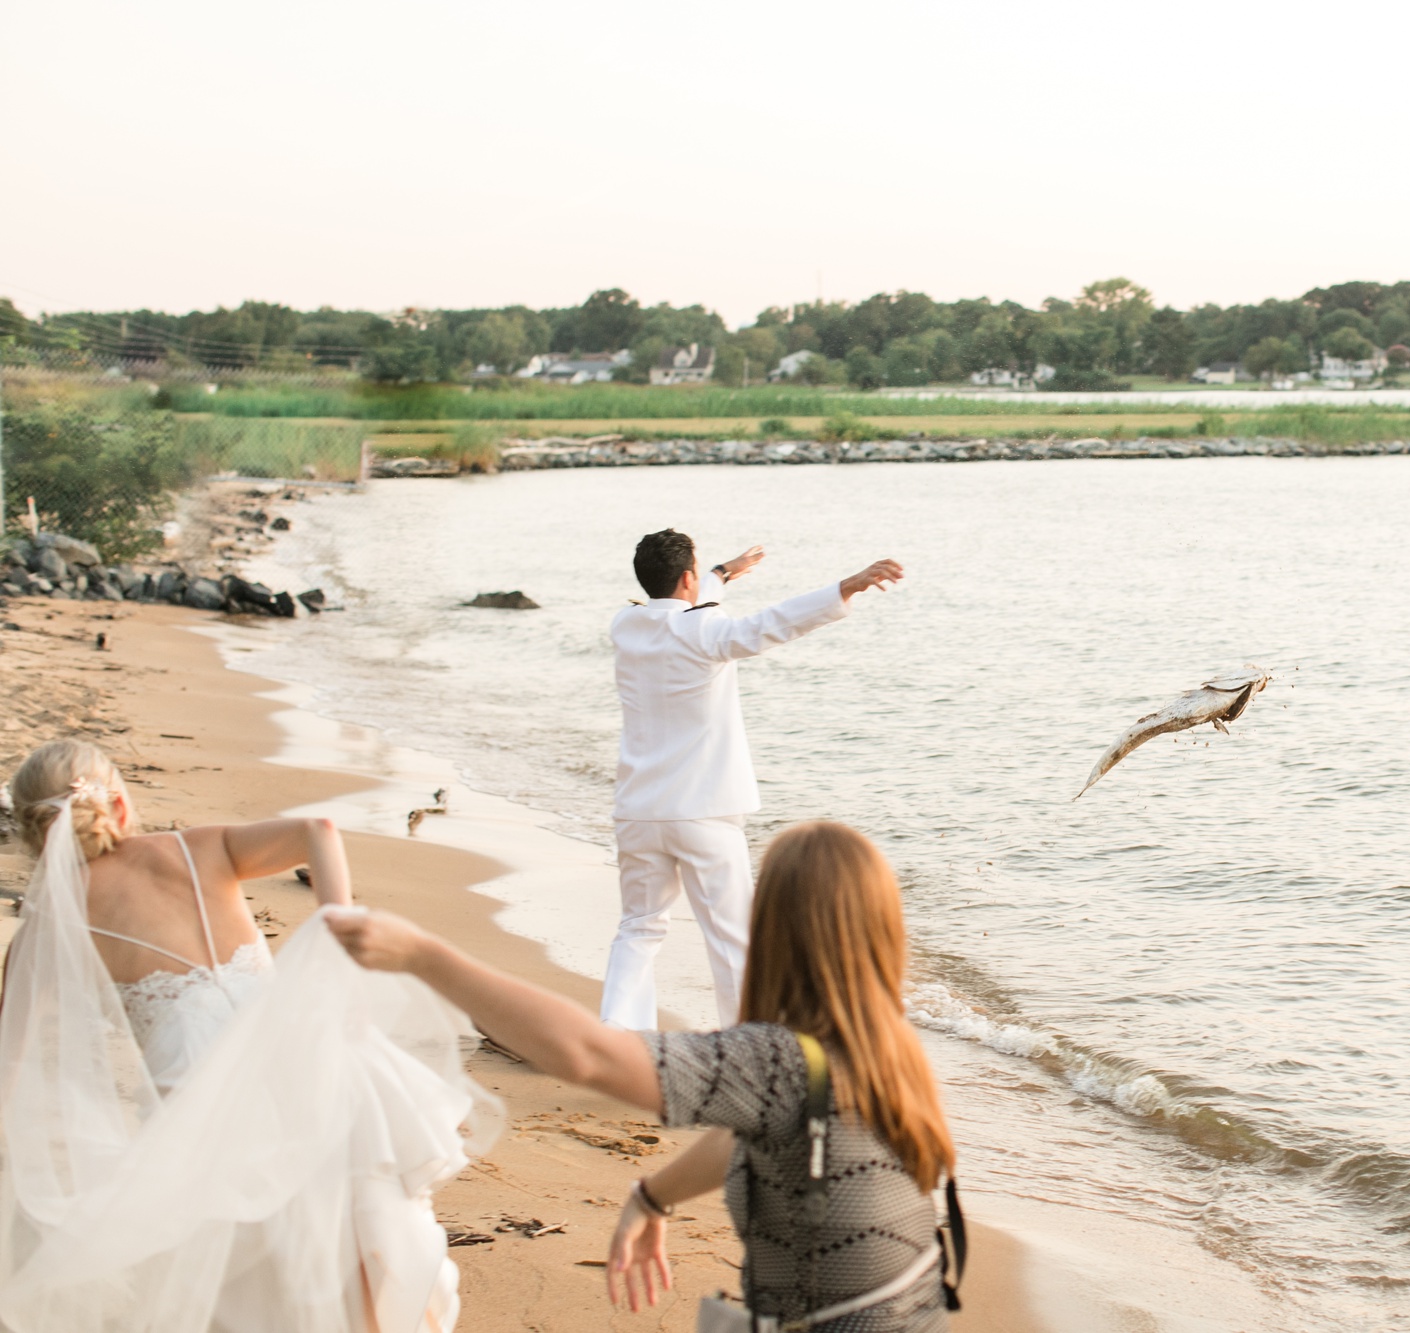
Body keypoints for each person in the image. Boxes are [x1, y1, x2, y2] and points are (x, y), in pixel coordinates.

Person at [333, 820, 963, 1331]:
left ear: (772, 925)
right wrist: (652, 1196)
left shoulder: (778, 1063)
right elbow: (765, 1131)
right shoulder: (889, 1050)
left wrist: (424, 955)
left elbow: (589, 1054)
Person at [0, 739, 487, 1333]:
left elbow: (12, 1058)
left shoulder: (51, 921)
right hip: (304, 1069)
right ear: (120, 806)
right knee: (356, 1233)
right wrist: (341, 936)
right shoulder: (198, 847)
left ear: (32, 835)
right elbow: (321, 828)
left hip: (200, 1116)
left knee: (244, 1283)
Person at [604, 529, 903, 1030]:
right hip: (700, 811)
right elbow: (772, 623)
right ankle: (746, 1038)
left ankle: (618, 1037)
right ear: (686, 578)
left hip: (637, 808)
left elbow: (686, 609)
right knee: (731, 935)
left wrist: (720, 574)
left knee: (638, 927)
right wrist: (845, 587)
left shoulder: (626, 625)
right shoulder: (704, 633)